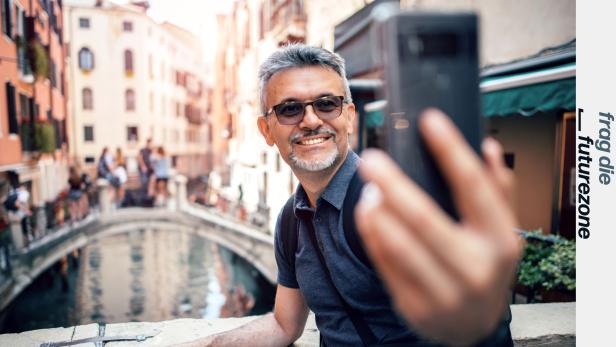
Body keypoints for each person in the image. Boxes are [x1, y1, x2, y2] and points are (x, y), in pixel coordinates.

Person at [180, 44, 520, 346]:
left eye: (327, 104)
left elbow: (472, 314)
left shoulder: (388, 201)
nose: (311, 120)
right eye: (289, 109)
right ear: (267, 130)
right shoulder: (289, 220)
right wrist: (209, 344)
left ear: (349, 116)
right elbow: (285, 325)